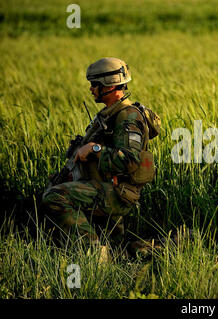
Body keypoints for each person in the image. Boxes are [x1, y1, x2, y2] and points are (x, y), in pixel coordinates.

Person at [40, 57, 161, 256]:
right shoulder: (108, 115)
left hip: (117, 192)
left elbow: (130, 160)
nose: (91, 89)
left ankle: (95, 255)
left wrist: (94, 149)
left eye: (94, 84)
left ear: (109, 86)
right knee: (121, 251)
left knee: (56, 197)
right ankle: (168, 245)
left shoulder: (128, 116)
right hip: (104, 185)